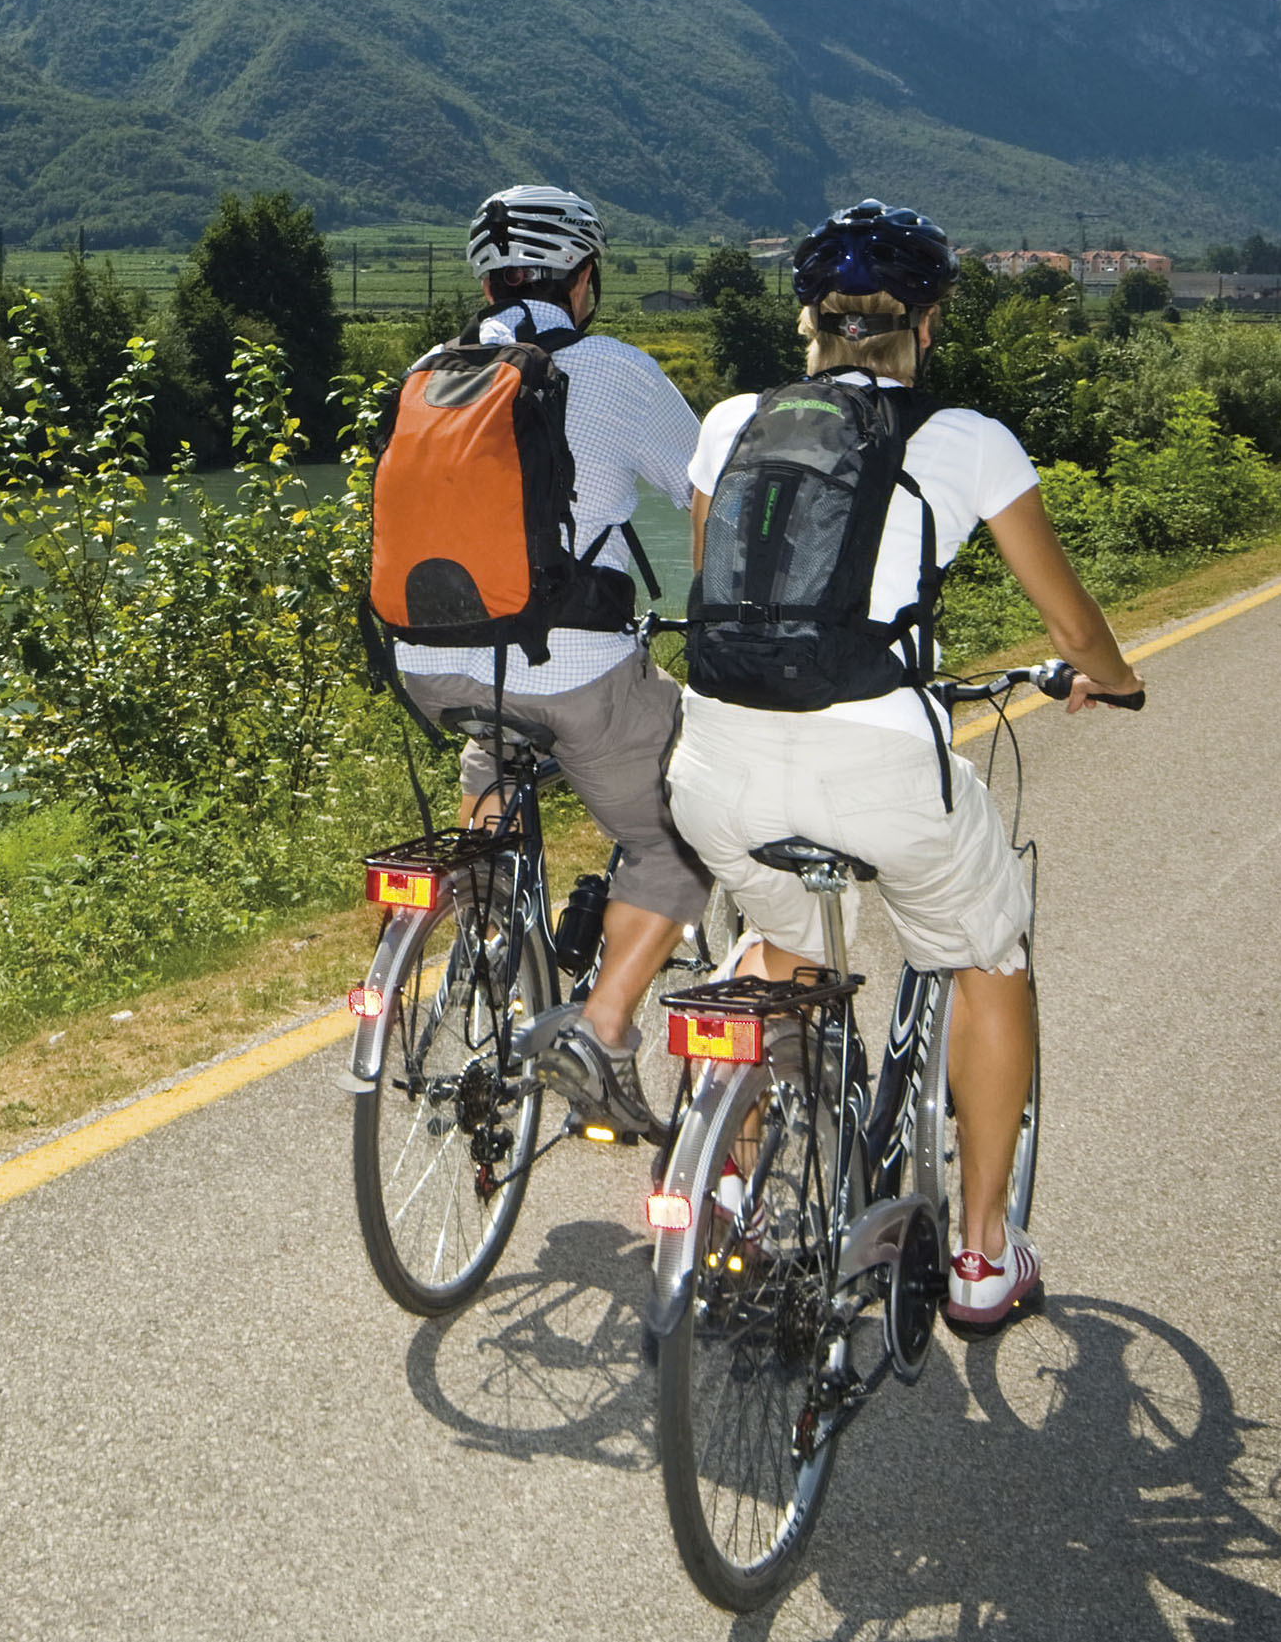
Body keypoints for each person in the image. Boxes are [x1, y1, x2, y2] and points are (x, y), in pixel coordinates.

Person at [668, 200, 1144, 1328]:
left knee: (779, 945)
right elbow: (1073, 627)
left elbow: (718, 594)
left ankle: (725, 1187)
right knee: (988, 955)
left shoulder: (732, 421)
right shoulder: (967, 440)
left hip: (718, 761)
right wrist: (1113, 679)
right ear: (925, 326)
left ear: (808, 322)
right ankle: (981, 1255)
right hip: (877, 761)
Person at [389, 184, 708, 1140]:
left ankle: (487, 930)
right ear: (583, 277)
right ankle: (602, 1033)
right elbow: (711, 485)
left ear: (488, 281)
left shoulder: (429, 372)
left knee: (496, 733)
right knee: (684, 829)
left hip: (427, 666)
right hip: (572, 665)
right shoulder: (613, 368)